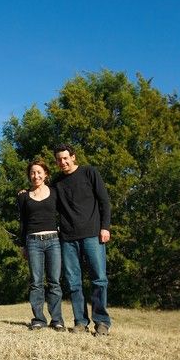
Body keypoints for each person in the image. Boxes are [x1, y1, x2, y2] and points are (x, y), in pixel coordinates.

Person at [53, 143, 111, 335]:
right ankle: (80, 322)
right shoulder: (57, 182)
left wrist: (105, 227)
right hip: (68, 238)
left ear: (73, 157)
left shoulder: (89, 172)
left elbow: (104, 201)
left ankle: (101, 322)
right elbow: (45, 198)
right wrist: (25, 194)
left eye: (65, 158)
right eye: (59, 159)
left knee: (99, 279)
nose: (63, 162)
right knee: (73, 282)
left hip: (93, 234)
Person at [18, 158, 65, 331]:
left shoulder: (55, 192)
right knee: (36, 282)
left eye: (39, 172)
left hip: (53, 241)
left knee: (54, 282)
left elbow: (64, 213)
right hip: (33, 242)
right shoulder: (23, 196)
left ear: (45, 174)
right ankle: (38, 319)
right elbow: (22, 222)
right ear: (29, 175)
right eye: (32, 172)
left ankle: (57, 320)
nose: (35, 175)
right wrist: (23, 245)